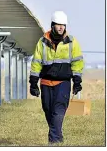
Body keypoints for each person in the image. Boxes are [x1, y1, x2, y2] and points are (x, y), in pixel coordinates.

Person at [29, 11, 84, 144]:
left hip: (63, 83)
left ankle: (55, 141)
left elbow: (77, 63)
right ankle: (56, 136)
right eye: (58, 25)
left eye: (63, 25)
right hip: (46, 83)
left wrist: (77, 82)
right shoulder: (42, 42)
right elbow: (36, 63)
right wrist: (33, 84)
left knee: (58, 111)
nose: (61, 28)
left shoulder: (72, 42)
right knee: (48, 111)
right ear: (53, 25)